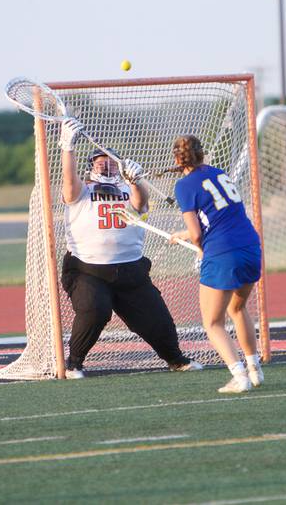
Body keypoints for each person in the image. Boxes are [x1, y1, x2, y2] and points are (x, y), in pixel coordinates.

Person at [58, 119, 203, 378]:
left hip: (130, 269)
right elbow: (68, 182)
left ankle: (175, 359)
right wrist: (67, 146)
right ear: (90, 165)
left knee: (157, 320)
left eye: (112, 160)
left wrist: (136, 181)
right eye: (100, 160)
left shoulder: (128, 188)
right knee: (95, 309)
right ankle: (74, 363)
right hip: (87, 269)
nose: (106, 163)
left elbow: (141, 205)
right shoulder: (82, 190)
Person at [169, 135, 264, 394]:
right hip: (250, 247)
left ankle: (239, 375)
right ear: (201, 155)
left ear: (177, 159)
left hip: (223, 252)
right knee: (238, 307)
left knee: (213, 323)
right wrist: (184, 235)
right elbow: (215, 219)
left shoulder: (184, 185)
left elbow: (198, 233)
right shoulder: (220, 173)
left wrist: (197, 246)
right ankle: (255, 369)